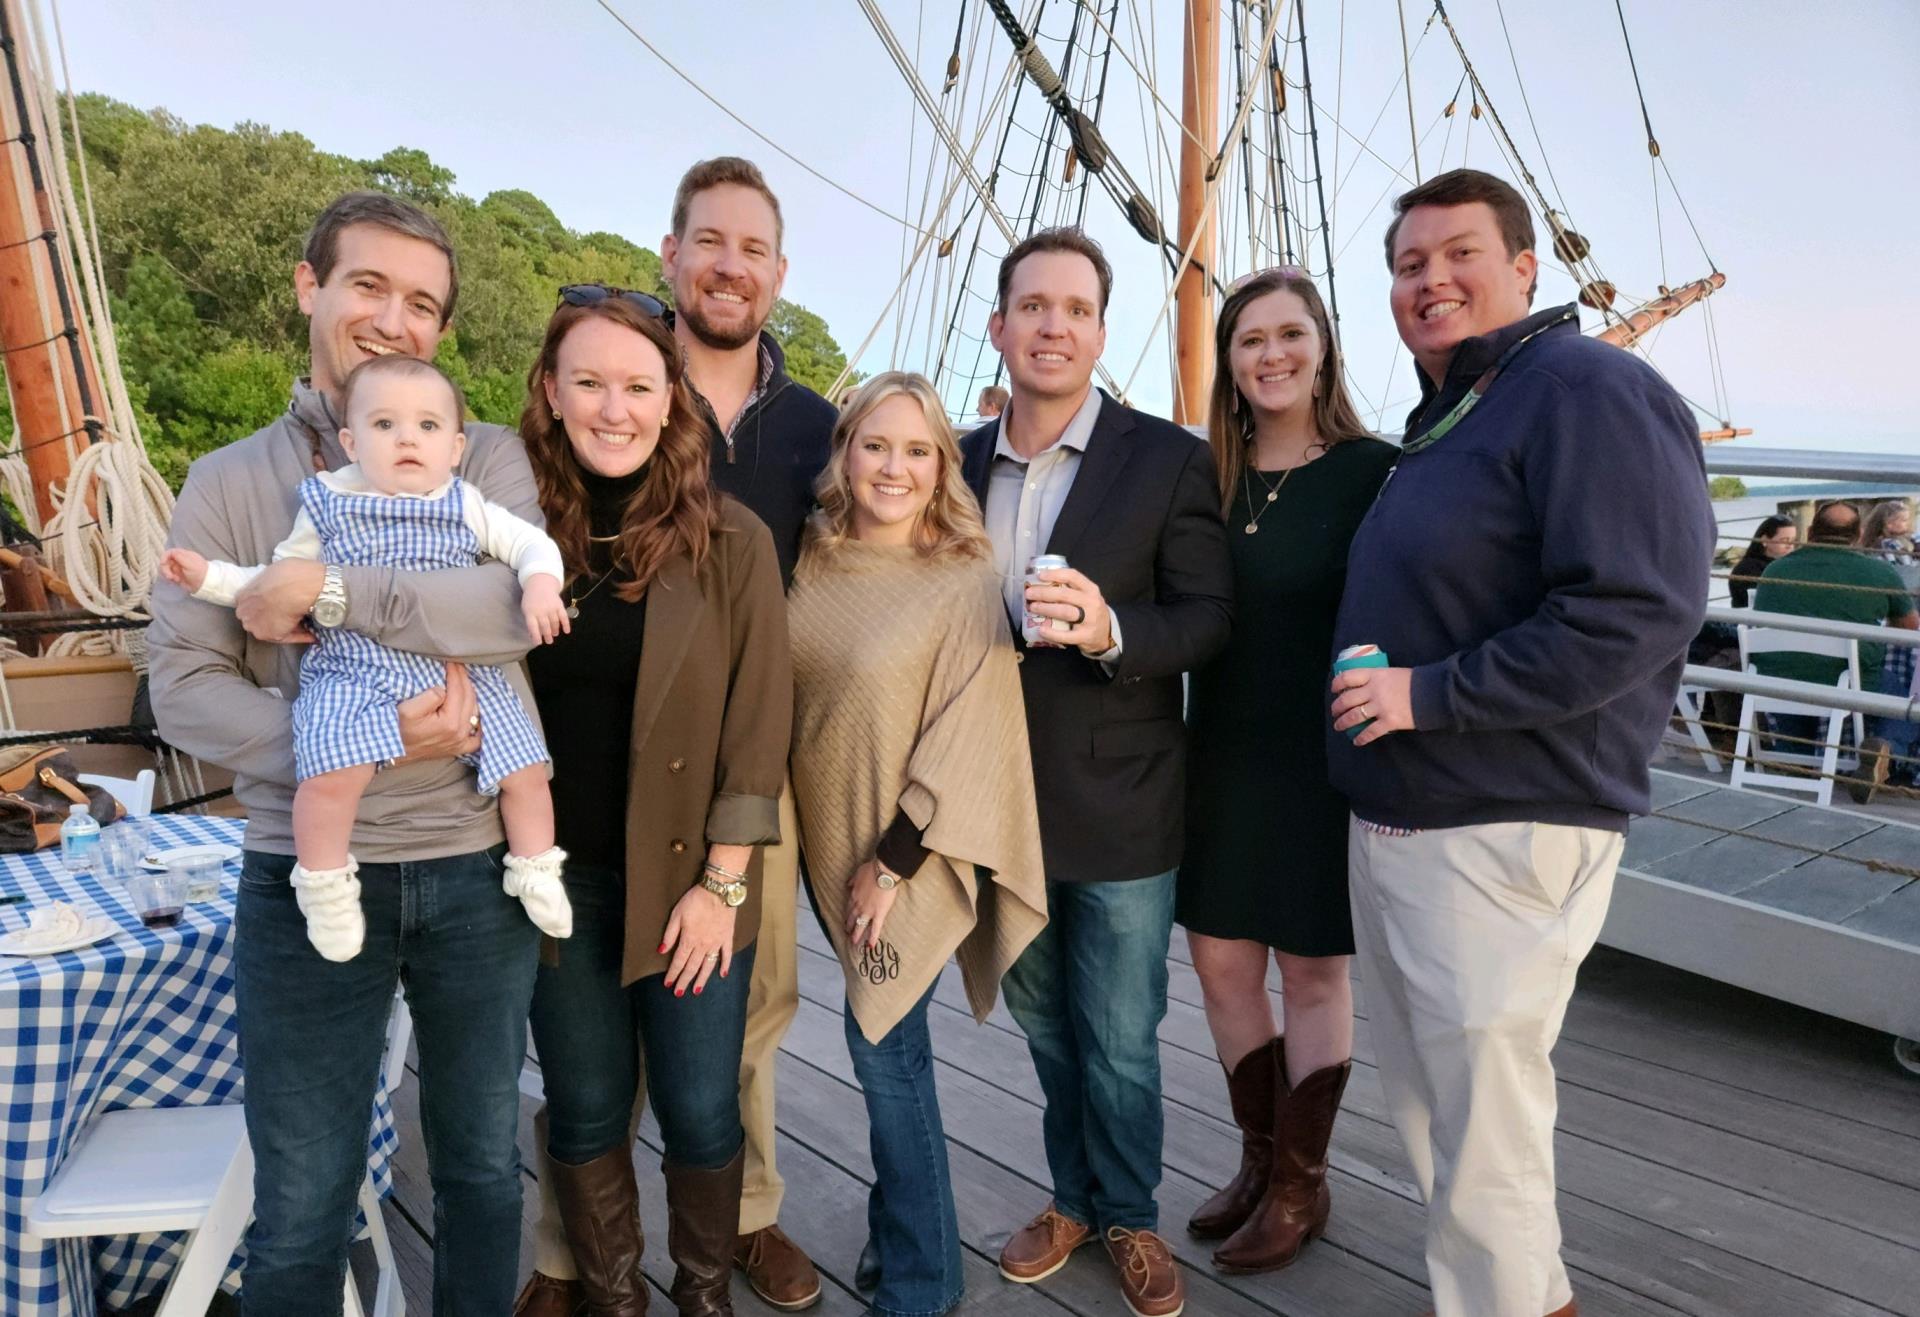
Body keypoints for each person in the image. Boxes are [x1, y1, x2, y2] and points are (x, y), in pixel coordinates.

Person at [148, 191, 545, 1314]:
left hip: (474, 873)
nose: (394, 319)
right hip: (304, 869)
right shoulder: (231, 482)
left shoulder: (487, 463)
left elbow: (509, 611)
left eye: (422, 304)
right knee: (305, 1199)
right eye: (369, 285)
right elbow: (182, 685)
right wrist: (357, 742)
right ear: (308, 286)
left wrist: (323, 589)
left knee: (476, 1167)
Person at [1326, 168, 1712, 1317]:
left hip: (1499, 825)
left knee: (1482, 1127)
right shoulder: (1458, 412)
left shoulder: (1585, 389)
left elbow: (1636, 609)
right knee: (1441, 1118)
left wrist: (1430, 696)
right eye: (1407, 265)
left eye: (1458, 255)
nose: (1430, 280)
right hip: (1411, 822)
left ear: (1526, 268)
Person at [515, 157, 836, 1317]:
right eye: (590, 385)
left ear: (670, 400)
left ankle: (702, 1292)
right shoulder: (509, 532)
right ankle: (612, 1294)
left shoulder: (732, 540)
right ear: (552, 391)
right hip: (554, 880)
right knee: (590, 1106)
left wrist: (722, 885)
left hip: (691, 878)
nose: (616, 407)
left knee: (705, 1107)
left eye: (639, 387)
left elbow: (760, 725)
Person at [960, 227, 1233, 1317]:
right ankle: (1071, 1197)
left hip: (1119, 798)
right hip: (991, 801)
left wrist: (1115, 629)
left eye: (1076, 309)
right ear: (1001, 326)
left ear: (1101, 332)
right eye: (1034, 307)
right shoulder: (957, 458)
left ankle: (1128, 1215)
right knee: (1042, 1023)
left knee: (1119, 1037)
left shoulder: (1166, 457)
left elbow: (1208, 619)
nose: (1054, 326)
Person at [158, 354, 572, 961]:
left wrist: (540, 584)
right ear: (351, 442)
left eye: (428, 427)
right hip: (354, 671)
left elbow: (531, 544)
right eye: (385, 426)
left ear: (455, 447)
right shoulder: (326, 502)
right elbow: (271, 581)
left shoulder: (465, 501)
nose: (408, 438)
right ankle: (325, 883)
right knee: (329, 779)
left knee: (527, 771)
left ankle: (534, 866)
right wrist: (207, 579)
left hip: (458, 669)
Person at [788, 371, 1048, 1317]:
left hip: (906, 855)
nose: (893, 467)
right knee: (885, 1050)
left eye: (917, 450)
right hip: (820, 836)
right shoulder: (811, 555)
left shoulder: (958, 576)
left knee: (885, 1052)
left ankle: (924, 1281)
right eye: (875, 444)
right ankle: (901, 1232)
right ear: (845, 450)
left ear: (942, 466)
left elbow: (970, 729)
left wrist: (893, 863)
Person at [1177, 268, 1396, 1273]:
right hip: (1219, 751)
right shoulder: (1204, 479)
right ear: (1227, 362)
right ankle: (1260, 1158)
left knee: (1312, 970)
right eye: (1249, 339)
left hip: (1321, 763)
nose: (1271, 354)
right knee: (1222, 963)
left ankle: (1304, 1182)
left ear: (1322, 347)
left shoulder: (1372, 473)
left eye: (1289, 334)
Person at [1752, 501, 1916, 799]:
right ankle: (1887, 754)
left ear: (1811, 532)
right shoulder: (1878, 573)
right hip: (1847, 684)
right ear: (1859, 534)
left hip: (1775, 684)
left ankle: (1795, 757)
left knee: (1798, 669)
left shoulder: (1775, 570)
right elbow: (1909, 629)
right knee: (1906, 698)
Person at [1861, 501, 1920, 783]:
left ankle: (1884, 753)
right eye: (1901, 521)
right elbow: (1907, 587)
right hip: (1885, 647)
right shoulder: (1891, 548)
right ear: (1886, 523)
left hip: (1851, 655)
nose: (1906, 526)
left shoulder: (1865, 552)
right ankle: (1895, 759)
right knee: (1906, 692)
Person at [1727, 514, 1797, 608]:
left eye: (1793, 541)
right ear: (1765, 540)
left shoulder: (1787, 565)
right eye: (1784, 540)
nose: (1790, 545)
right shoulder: (1748, 569)